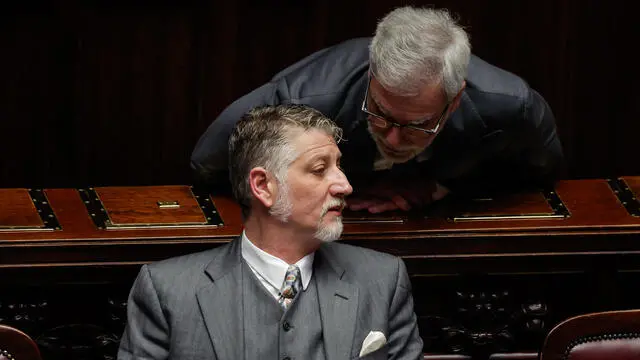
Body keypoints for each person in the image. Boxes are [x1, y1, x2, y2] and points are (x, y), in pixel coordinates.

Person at [118, 104, 424, 360]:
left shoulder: (383, 281)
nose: (345, 185)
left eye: (339, 167)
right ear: (263, 186)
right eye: (320, 169)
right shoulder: (168, 292)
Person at [190, 6, 564, 214]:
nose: (394, 138)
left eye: (418, 125)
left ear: (455, 100)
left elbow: (539, 176)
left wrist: (443, 186)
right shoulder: (298, 99)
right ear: (372, 78)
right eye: (381, 113)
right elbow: (208, 164)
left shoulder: (514, 106)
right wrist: (322, 190)